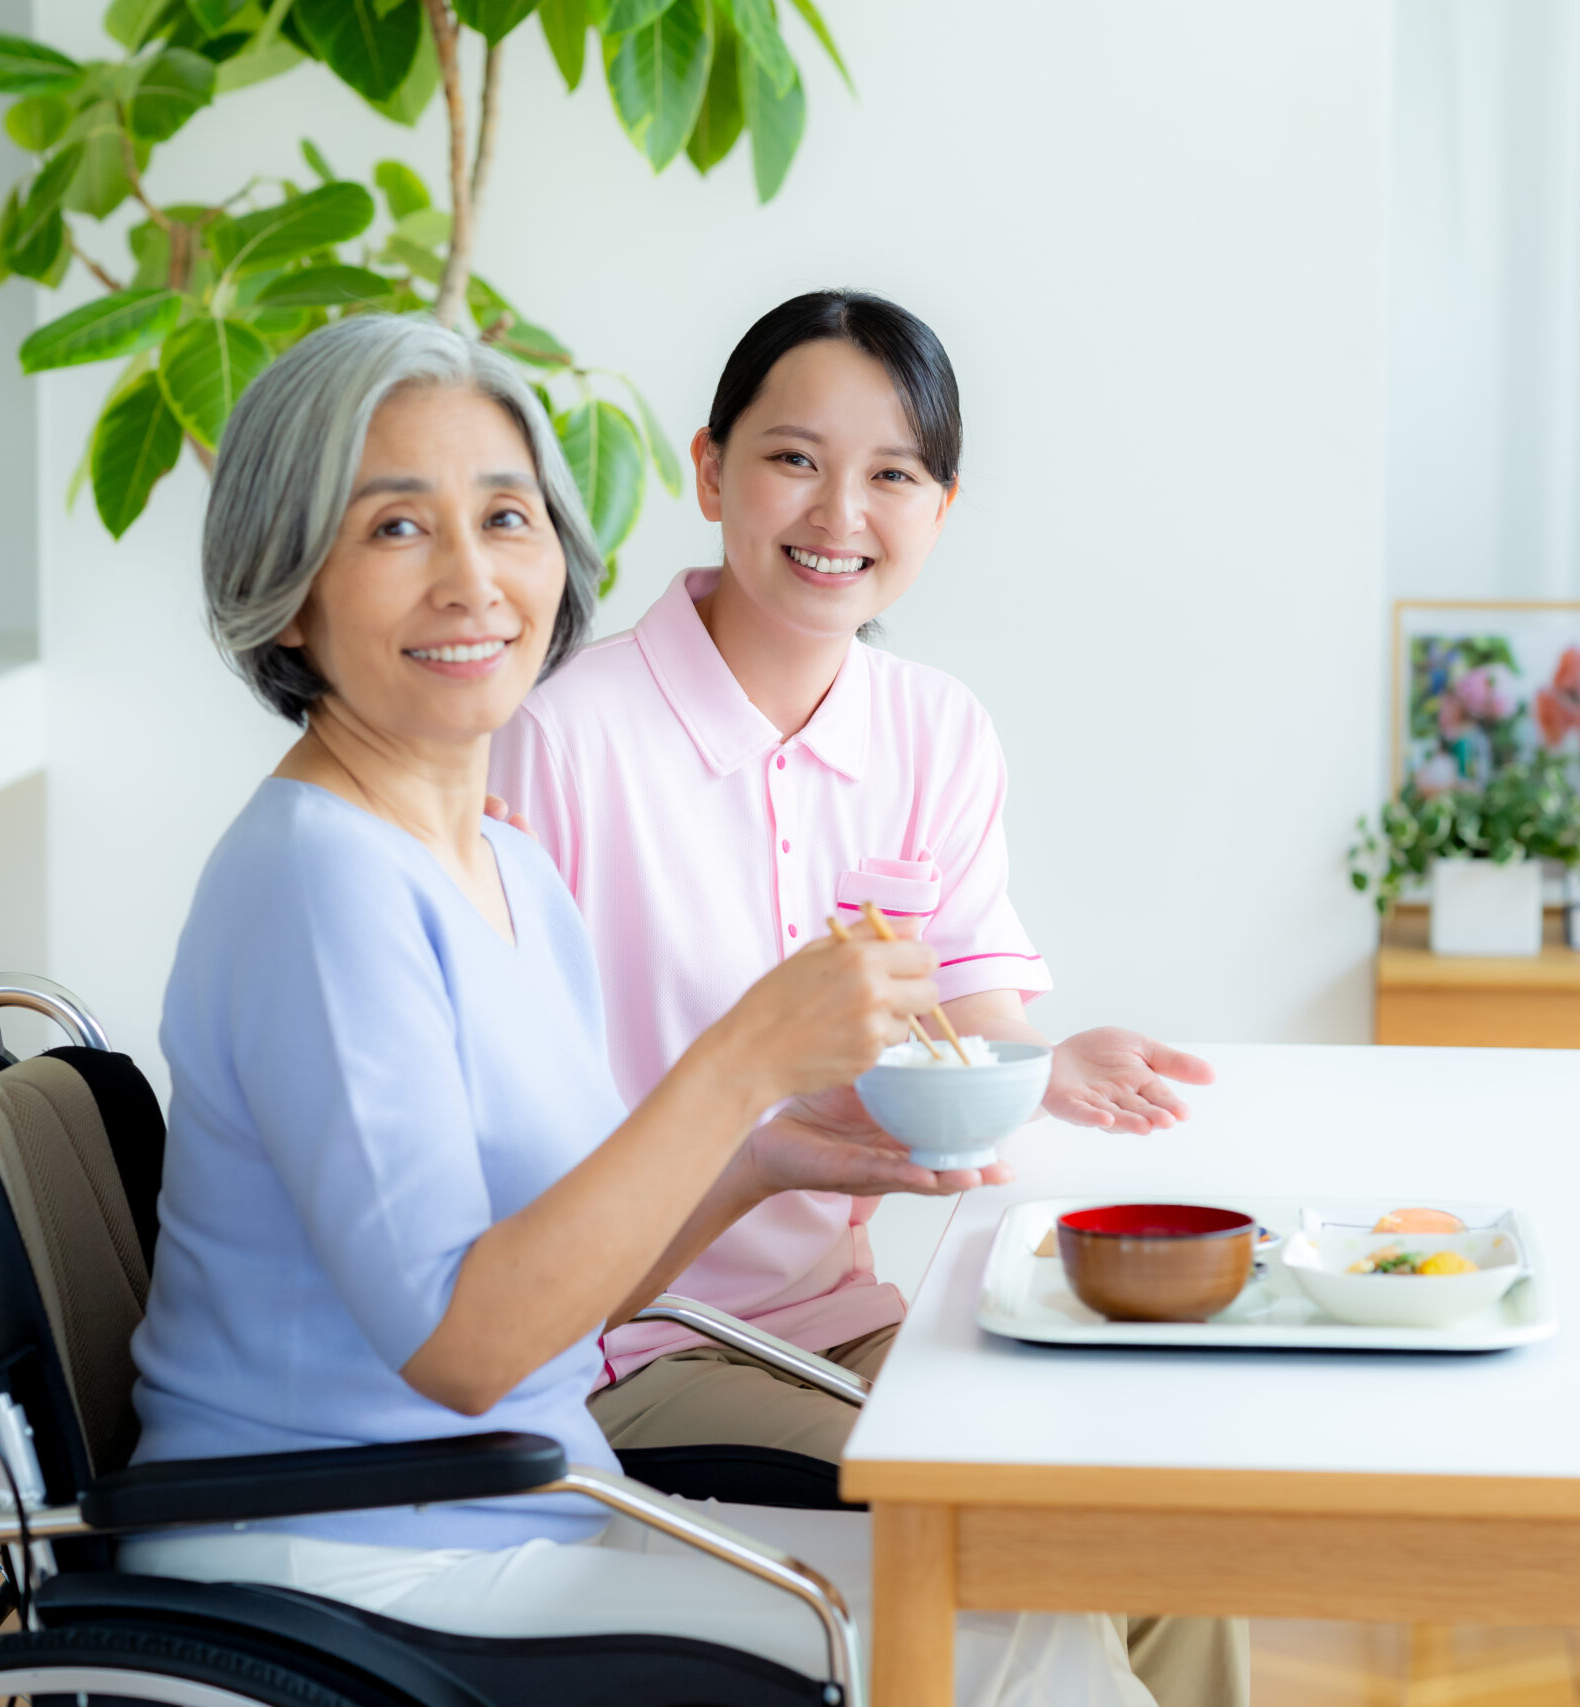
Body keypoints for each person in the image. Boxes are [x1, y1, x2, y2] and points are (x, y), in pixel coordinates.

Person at [122, 313, 1155, 1703]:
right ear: (286, 589)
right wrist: (740, 1064)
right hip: (352, 1556)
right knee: (1017, 1635)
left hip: (515, 1507)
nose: (474, 581)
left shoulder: (498, 861)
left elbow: (568, 1282)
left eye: (506, 516)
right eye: (393, 531)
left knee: (1039, 1598)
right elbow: (470, 1348)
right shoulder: (321, 884)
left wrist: (764, 1160)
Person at [488, 290, 1248, 1706]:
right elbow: (516, 1148)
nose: (840, 509)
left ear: (941, 510)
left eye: (893, 473)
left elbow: (972, 1003)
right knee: (1029, 1556)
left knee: (1168, 1531)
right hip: (630, 1345)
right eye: (795, 458)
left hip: (843, 1312)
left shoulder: (935, 729)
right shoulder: (560, 741)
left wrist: (1047, 1056)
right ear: (710, 470)